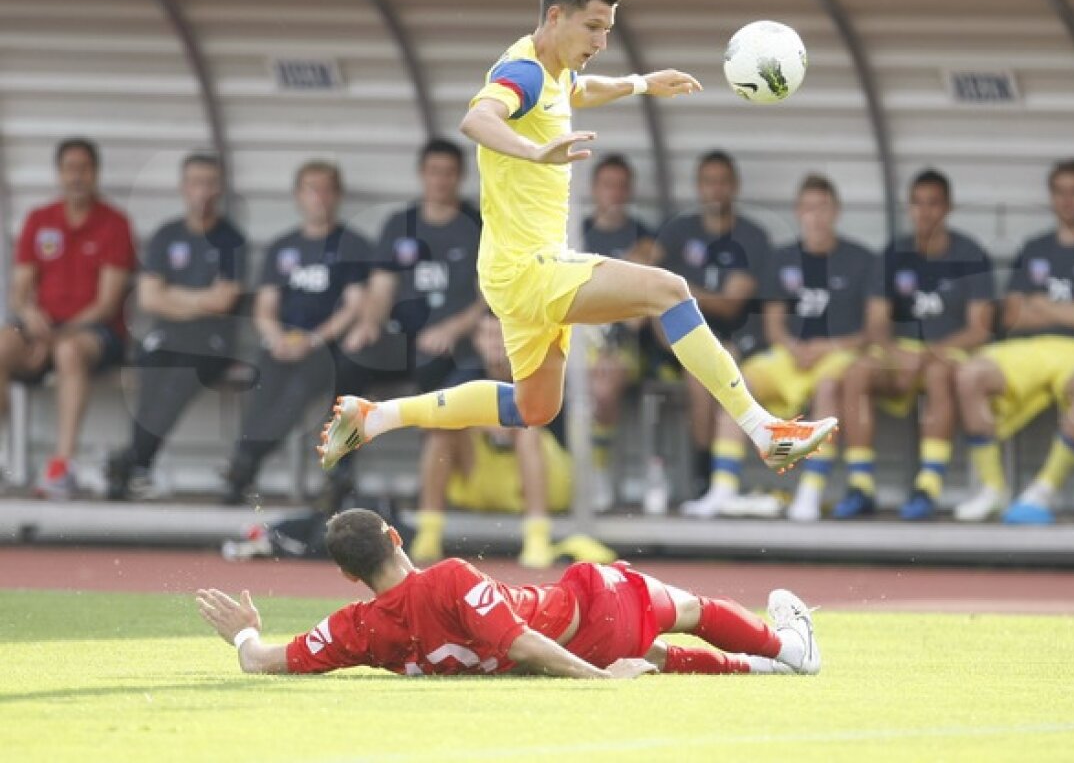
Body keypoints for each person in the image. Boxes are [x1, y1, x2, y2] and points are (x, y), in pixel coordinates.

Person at [317, 0, 836, 479]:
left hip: (512, 273)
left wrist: (640, 84)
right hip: (531, 268)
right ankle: (763, 429)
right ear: (556, 15)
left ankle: (377, 416)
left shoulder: (553, 70)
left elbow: (577, 91)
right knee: (672, 291)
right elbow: (476, 118)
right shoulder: (521, 73)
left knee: (534, 408)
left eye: (608, 29)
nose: (602, 40)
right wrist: (534, 152)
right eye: (593, 27)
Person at [196, 507, 821, 679]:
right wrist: (598, 679)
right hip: (587, 614)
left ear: (349, 575)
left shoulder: (358, 628)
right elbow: (517, 639)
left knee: (656, 656)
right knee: (689, 609)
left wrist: (246, 633)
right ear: (394, 535)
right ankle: (788, 646)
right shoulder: (447, 578)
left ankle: (755, 666)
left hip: (573, 654)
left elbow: (262, 660)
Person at [694, 174, 875, 521]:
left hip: (836, 356)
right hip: (790, 355)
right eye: (808, 208)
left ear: (835, 212)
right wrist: (792, 346)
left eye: (822, 208)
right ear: (797, 212)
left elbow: (870, 332)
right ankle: (722, 487)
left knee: (829, 387)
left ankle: (810, 493)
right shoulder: (782, 258)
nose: (815, 216)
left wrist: (828, 346)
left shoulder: (860, 259)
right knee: (736, 382)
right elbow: (774, 324)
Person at [956, 159, 1074, 524]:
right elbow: (1013, 313)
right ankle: (992, 488)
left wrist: (1043, 305)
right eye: (1060, 192)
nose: (1068, 201)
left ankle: (1044, 489)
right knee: (969, 373)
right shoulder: (1035, 247)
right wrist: (1066, 309)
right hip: (1027, 349)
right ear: (1051, 197)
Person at [835, 169, 995, 521]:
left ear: (948, 207)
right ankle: (860, 484)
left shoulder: (969, 254)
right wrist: (896, 353)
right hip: (901, 352)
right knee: (857, 373)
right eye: (918, 204)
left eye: (933, 203)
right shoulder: (895, 252)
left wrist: (928, 354)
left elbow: (979, 329)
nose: (925, 212)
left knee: (939, 375)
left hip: (946, 352)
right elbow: (875, 322)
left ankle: (929, 485)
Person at [341, 138, 487, 520]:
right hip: (402, 338)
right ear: (423, 175)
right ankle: (338, 473)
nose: (441, 180)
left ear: (460, 177)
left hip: (455, 343)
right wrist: (368, 324)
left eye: (449, 173)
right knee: (348, 363)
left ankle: (430, 492)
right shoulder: (399, 224)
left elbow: (490, 294)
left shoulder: (477, 224)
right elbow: (381, 286)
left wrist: (454, 328)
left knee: (443, 386)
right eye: (434, 172)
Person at [221, 160, 371, 505]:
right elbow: (265, 307)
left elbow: (353, 307)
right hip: (284, 345)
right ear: (297, 196)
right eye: (310, 188)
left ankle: (245, 463)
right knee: (264, 385)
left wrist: (312, 340)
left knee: (298, 390)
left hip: (327, 347)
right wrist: (275, 338)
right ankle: (244, 465)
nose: (318, 197)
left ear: (337, 195)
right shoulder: (282, 246)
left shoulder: (352, 245)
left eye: (325, 188)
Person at [105, 153, 246, 501]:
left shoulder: (231, 239)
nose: (203, 191)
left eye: (210, 183)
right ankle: (138, 466)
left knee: (178, 379)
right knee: (151, 379)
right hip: (167, 336)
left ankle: (134, 461)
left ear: (220, 188)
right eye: (196, 182)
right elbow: (150, 299)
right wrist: (200, 300)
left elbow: (224, 302)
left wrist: (175, 295)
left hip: (212, 342)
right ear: (184, 188)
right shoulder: (167, 234)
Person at [0, 138, 136, 498]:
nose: (77, 176)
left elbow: (107, 304)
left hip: (95, 333)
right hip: (42, 329)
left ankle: (61, 466)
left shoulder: (114, 224)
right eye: (70, 168)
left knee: (69, 352)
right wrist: (30, 314)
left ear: (96, 173)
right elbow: (19, 290)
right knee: (1, 344)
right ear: (59, 174)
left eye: (84, 168)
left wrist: (56, 337)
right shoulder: (40, 219)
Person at [655, 151, 770, 516]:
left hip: (737, 342)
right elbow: (646, 280)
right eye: (708, 181)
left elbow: (730, 303)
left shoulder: (751, 236)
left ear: (733, 186)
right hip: (677, 340)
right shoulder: (677, 231)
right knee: (694, 365)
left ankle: (708, 473)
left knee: (707, 371)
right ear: (698, 186)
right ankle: (705, 473)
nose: (715, 189)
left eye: (722, 181)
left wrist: (679, 289)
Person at [409, 314, 573, 568]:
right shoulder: (467, 375)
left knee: (526, 430)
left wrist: (482, 417)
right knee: (441, 432)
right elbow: (430, 418)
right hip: (483, 478)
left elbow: (534, 417)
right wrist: (481, 421)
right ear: (476, 342)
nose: (495, 343)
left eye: (502, 335)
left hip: (547, 481)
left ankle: (537, 536)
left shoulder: (539, 369)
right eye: (488, 335)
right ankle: (429, 531)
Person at [581, 153, 657, 511]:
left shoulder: (644, 238)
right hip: (578, 337)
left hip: (624, 346)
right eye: (608, 185)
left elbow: (639, 310)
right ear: (595, 189)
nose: (614, 193)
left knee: (604, 381)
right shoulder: (574, 233)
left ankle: (598, 470)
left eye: (621, 186)